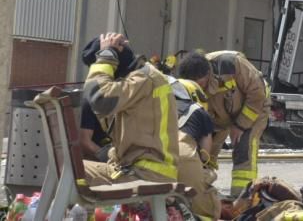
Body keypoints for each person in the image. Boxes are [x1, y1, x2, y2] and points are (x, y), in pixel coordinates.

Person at [81, 33, 181, 186]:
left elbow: (99, 98)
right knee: (75, 168)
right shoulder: (144, 78)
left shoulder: (142, 80)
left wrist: (105, 57)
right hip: (144, 170)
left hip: (144, 174)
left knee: (70, 169)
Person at [177, 50, 270, 196]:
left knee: (243, 149)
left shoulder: (230, 64)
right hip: (218, 117)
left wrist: (240, 125)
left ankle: (242, 199)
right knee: (201, 156)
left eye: (200, 85)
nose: (198, 89)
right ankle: (198, 194)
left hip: (253, 107)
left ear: (208, 74)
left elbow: (257, 93)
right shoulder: (186, 85)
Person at [171, 77, 222, 219]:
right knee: (206, 209)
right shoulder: (198, 111)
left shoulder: (156, 107)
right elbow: (205, 155)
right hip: (183, 159)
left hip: (151, 160)